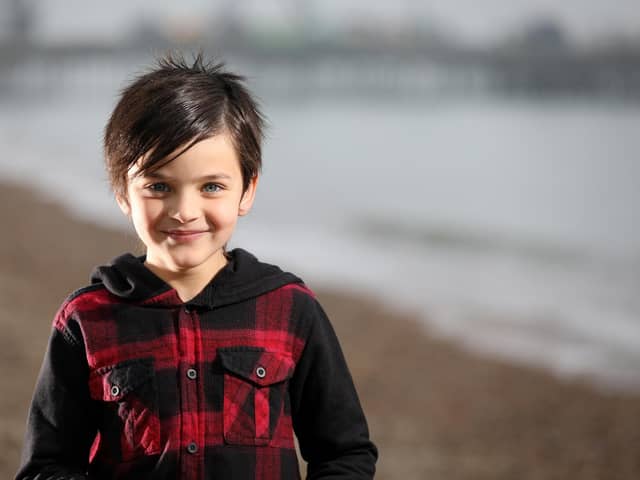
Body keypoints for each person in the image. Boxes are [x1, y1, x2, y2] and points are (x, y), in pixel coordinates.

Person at [15, 52, 377, 479]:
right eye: (158, 186)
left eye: (211, 187)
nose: (185, 210)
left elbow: (345, 454)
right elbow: (47, 466)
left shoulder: (290, 308)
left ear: (247, 190)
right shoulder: (87, 320)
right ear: (122, 192)